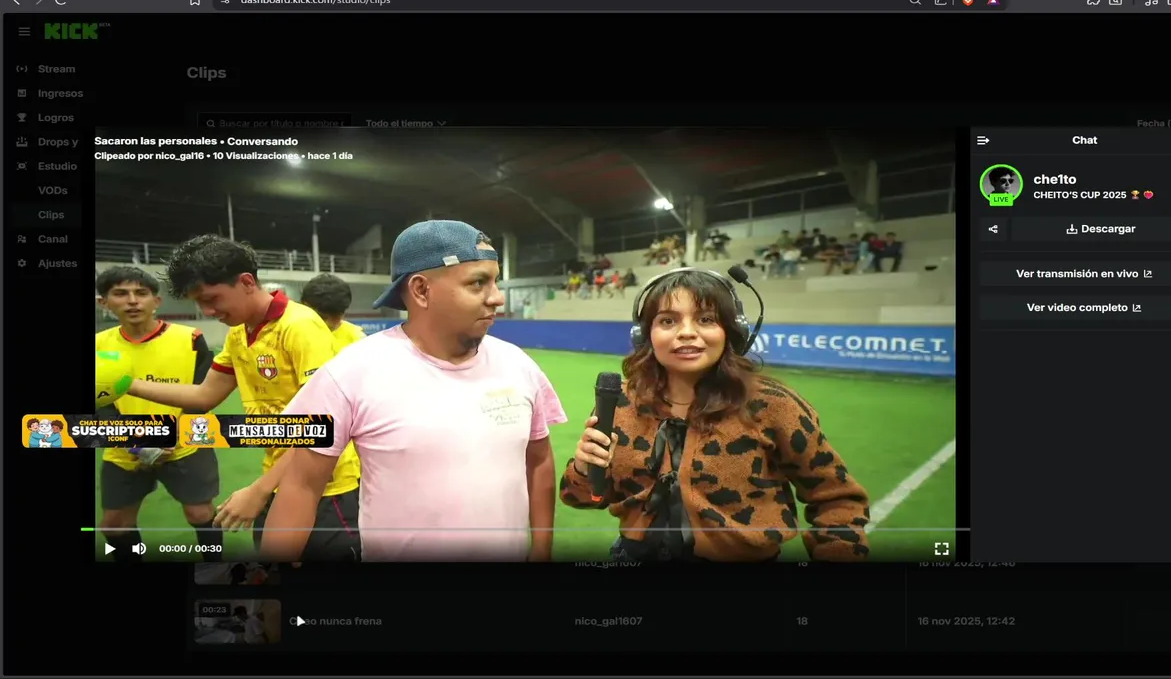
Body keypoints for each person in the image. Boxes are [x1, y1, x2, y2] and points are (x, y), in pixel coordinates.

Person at [261, 220, 568, 562]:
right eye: (478, 283)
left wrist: (541, 549)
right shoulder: (350, 373)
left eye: (495, 281)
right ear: (421, 290)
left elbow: (539, 460)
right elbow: (301, 486)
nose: (497, 297)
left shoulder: (519, 365)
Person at [560, 268, 872, 562]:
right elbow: (584, 498)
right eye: (667, 321)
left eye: (706, 319)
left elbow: (837, 499)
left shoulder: (772, 405)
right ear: (645, 334)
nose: (686, 333)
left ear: (732, 331)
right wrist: (585, 470)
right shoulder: (621, 402)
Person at [122, 235, 362, 561]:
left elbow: (323, 428)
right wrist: (125, 384)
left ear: (247, 282)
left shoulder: (300, 326)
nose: (207, 311)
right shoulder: (239, 333)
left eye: (212, 299)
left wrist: (258, 491)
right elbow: (204, 394)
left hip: (326, 486)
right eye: (199, 303)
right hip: (279, 478)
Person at [94, 266, 222, 562]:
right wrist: (134, 442)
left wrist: (170, 436)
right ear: (104, 302)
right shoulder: (98, 345)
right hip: (125, 449)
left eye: (141, 293)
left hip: (184, 445)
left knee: (200, 513)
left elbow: (204, 394)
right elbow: (100, 403)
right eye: (120, 293)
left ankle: (217, 567)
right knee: (114, 525)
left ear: (156, 301)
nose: (132, 301)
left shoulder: (191, 338)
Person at [300, 273, 368, 351]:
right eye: (322, 317)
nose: (329, 323)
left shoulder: (358, 341)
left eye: (337, 316)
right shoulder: (292, 334)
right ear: (305, 306)